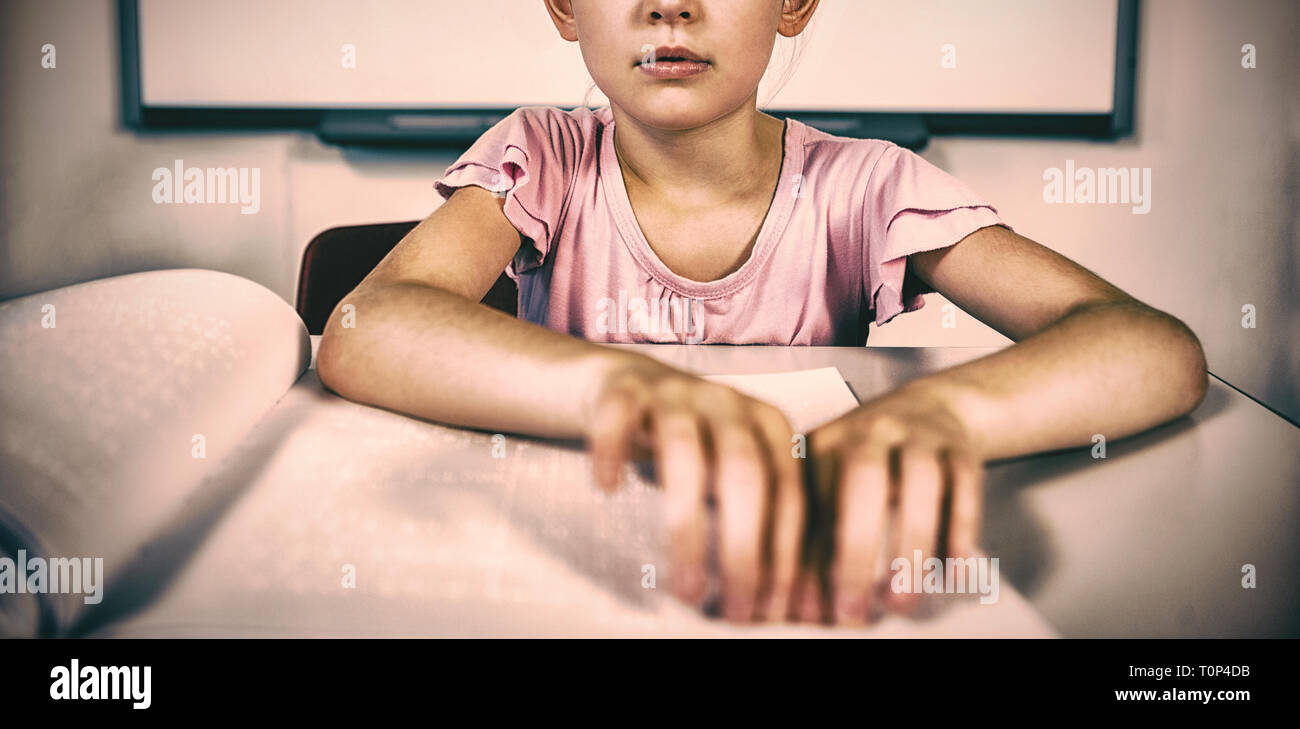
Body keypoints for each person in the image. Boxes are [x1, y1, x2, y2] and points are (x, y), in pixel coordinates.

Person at [318, 0, 1208, 626]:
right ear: (563, 5)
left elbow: (1150, 345)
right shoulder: (543, 154)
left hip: (798, 585)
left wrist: (945, 413)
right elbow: (368, 327)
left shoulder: (865, 185)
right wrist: (621, 386)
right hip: (578, 576)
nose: (670, 6)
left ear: (794, 3)